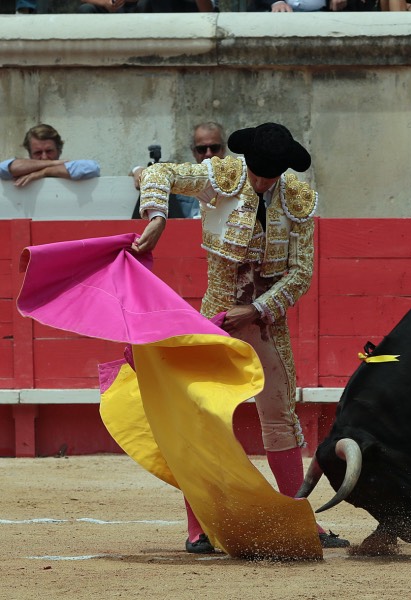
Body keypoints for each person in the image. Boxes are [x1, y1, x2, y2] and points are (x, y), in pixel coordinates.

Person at [132, 122, 350, 553]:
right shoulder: (223, 176)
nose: (261, 181)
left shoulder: (299, 200)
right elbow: (157, 174)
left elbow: (301, 273)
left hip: (264, 320)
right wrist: (157, 215)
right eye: (257, 172)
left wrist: (256, 310)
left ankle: (299, 518)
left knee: (279, 415)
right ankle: (200, 526)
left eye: (270, 175)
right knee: (202, 418)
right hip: (214, 315)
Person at [131, 121, 228, 219]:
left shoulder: (236, 178)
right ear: (194, 151)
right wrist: (138, 170)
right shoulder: (185, 176)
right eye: (201, 149)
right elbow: (160, 171)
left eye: (214, 148)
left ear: (223, 149)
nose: (208, 153)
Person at [0, 124, 100, 188]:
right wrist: (52, 163)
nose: (44, 157)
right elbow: (6, 168)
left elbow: (92, 168)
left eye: (49, 151)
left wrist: (45, 172)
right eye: (38, 153)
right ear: (29, 153)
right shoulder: (21, 166)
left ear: (59, 150)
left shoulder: (66, 169)